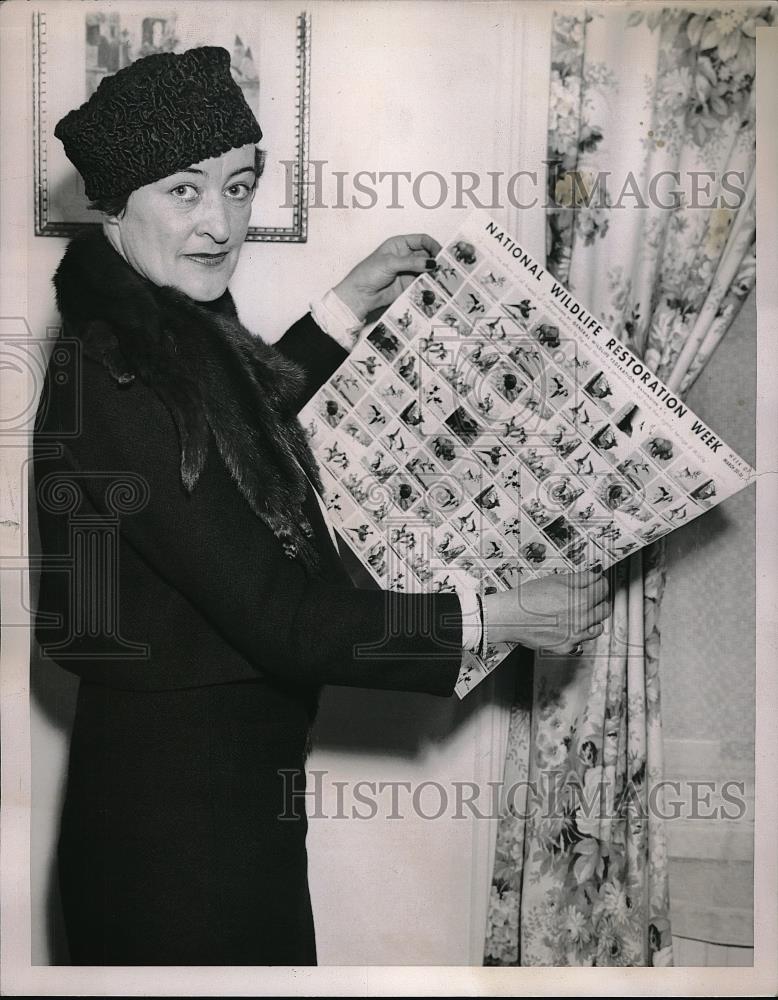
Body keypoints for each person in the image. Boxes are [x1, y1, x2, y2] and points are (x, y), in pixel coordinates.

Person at [33, 46, 610, 966]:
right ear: (116, 200)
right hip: (178, 845)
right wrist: (496, 617)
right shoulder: (121, 376)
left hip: (201, 803)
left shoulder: (151, 319)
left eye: (239, 185)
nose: (220, 224)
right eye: (184, 192)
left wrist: (347, 304)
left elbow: (231, 428)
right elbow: (287, 621)